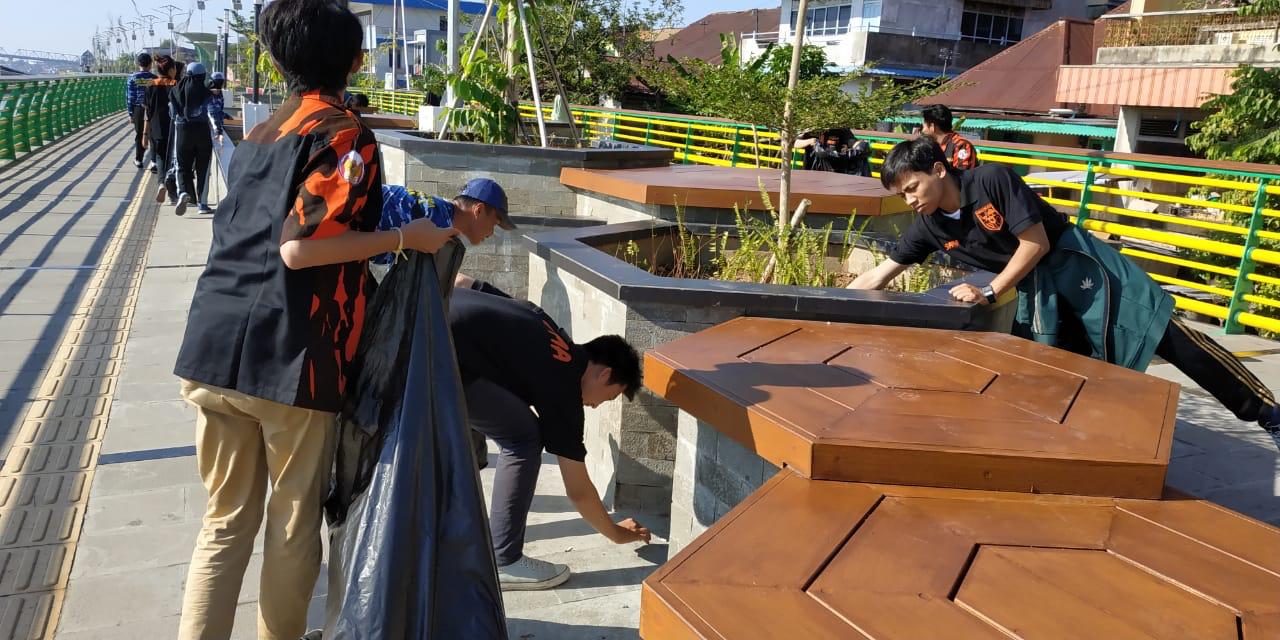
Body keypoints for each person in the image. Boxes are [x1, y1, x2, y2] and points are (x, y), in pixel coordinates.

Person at [171, 1, 459, 638]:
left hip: (213, 345)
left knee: (224, 522)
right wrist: (404, 238)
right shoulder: (344, 134)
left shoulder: (262, 133)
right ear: (354, 62)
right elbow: (299, 249)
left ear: (280, 59)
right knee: (292, 523)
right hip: (294, 358)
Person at [847, 138, 1280, 440]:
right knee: (1067, 367)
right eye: (902, 195)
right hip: (1039, 291)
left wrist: (991, 292)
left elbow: (1035, 242)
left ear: (939, 170)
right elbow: (881, 274)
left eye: (913, 188)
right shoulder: (929, 226)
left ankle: (1267, 412)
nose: (910, 201)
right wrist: (834, 305)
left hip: (1081, 265)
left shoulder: (991, 181)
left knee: (1163, 332)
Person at [448, 286, 650, 591]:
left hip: (422, 318)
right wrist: (617, 534)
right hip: (435, 355)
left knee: (517, 424)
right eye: (609, 397)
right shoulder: (565, 388)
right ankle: (505, 561)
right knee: (524, 438)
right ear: (605, 374)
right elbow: (578, 491)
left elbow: (467, 281)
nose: (596, 406)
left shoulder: (545, 324)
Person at [375, 178, 515, 267]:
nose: (491, 233)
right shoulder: (437, 227)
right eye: (494, 224)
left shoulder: (440, 211)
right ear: (478, 210)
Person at [170, 62, 223, 216]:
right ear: (203, 76)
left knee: (182, 166)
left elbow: (172, 114)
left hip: (183, 132)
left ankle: (183, 192)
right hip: (202, 133)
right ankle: (202, 204)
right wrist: (218, 131)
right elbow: (212, 113)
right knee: (203, 169)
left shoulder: (175, 91)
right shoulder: (206, 93)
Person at [142, 54, 178, 202]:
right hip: (174, 128)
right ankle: (172, 194)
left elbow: (148, 113)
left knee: (160, 157)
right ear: (170, 70)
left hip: (156, 129)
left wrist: (144, 134)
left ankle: (161, 183)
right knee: (173, 160)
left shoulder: (150, 85)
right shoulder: (176, 85)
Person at [921, 104, 978, 170]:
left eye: (923, 126)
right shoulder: (930, 145)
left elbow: (964, 175)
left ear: (932, 126)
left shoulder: (961, 145)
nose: (922, 131)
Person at [126, 53, 156, 170]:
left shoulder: (132, 78)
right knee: (152, 134)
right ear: (150, 64)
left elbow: (130, 97)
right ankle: (154, 161)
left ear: (138, 64)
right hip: (152, 108)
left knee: (140, 134)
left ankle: (139, 160)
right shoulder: (154, 78)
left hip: (138, 108)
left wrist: (130, 113)